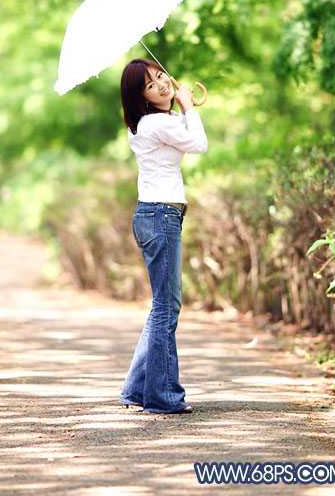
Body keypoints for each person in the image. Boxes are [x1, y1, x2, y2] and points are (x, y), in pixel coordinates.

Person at [119, 58, 208, 414]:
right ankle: (162, 396)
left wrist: (183, 107)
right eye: (150, 85)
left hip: (153, 215)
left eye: (160, 76)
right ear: (141, 97)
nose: (160, 85)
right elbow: (198, 143)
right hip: (161, 216)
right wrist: (188, 106)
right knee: (166, 308)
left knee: (161, 306)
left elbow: (182, 134)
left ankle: (136, 389)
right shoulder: (156, 123)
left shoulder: (148, 123)